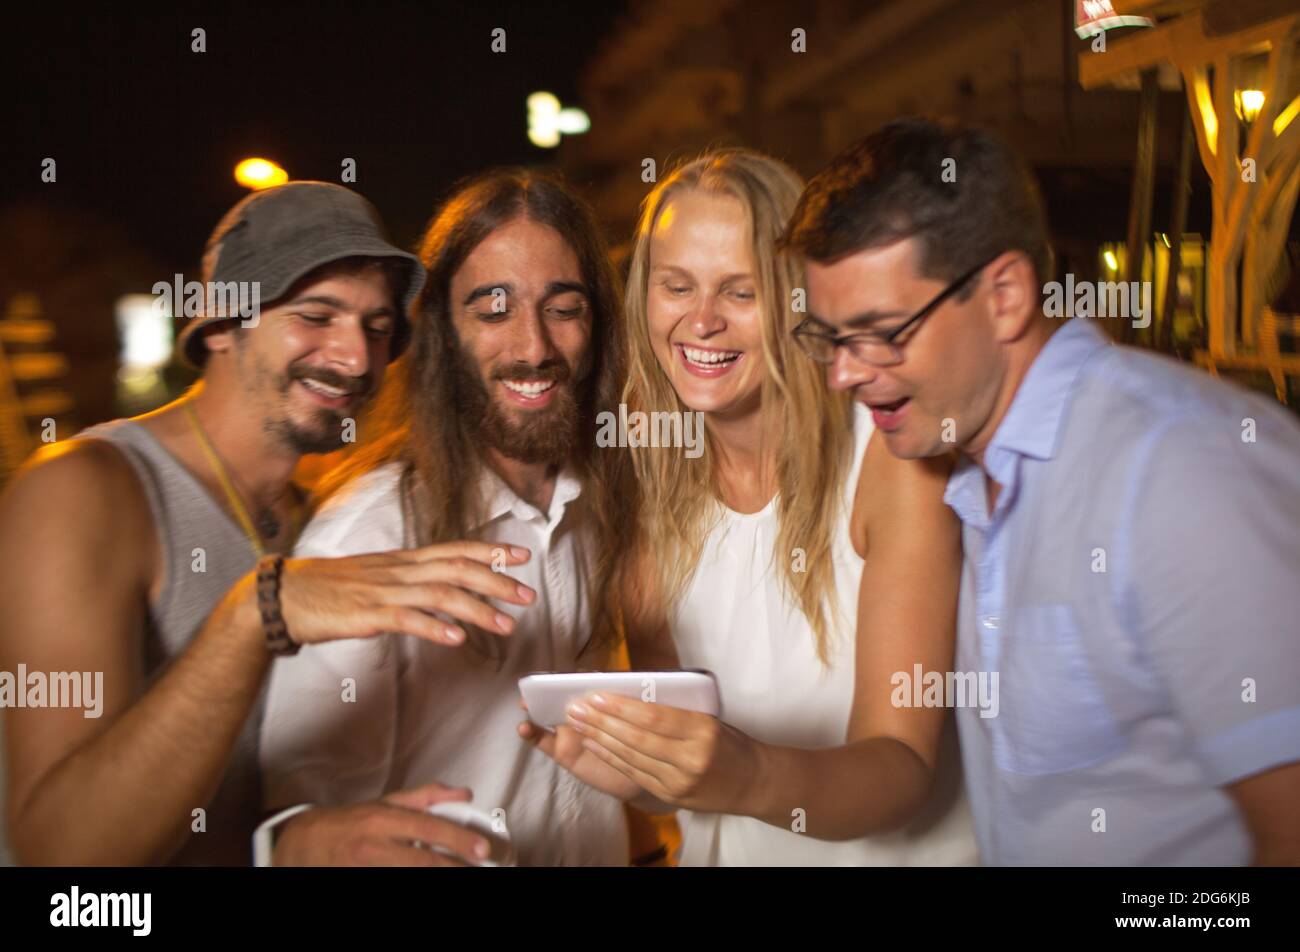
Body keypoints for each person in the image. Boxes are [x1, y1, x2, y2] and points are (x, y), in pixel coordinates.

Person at [786, 117, 1300, 865]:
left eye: (881, 332)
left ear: (1004, 295)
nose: (844, 374)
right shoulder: (964, 469)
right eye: (829, 338)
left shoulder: (1179, 469)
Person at [0, 181, 529, 866]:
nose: (356, 358)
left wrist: (299, 839)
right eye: (316, 315)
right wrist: (258, 611)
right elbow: (62, 852)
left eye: (376, 327)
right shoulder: (83, 489)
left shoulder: (325, 516)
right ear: (220, 324)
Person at [524, 149, 976, 865]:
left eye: (740, 292)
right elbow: (688, 765)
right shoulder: (643, 483)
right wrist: (641, 772)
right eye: (677, 287)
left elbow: (902, 768)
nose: (700, 322)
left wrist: (748, 776)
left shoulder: (893, 460)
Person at [259, 169, 635, 866]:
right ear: (443, 332)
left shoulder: (611, 504)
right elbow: (312, 825)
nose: (533, 347)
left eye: (563, 307)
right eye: (493, 309)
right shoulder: (368, 536)